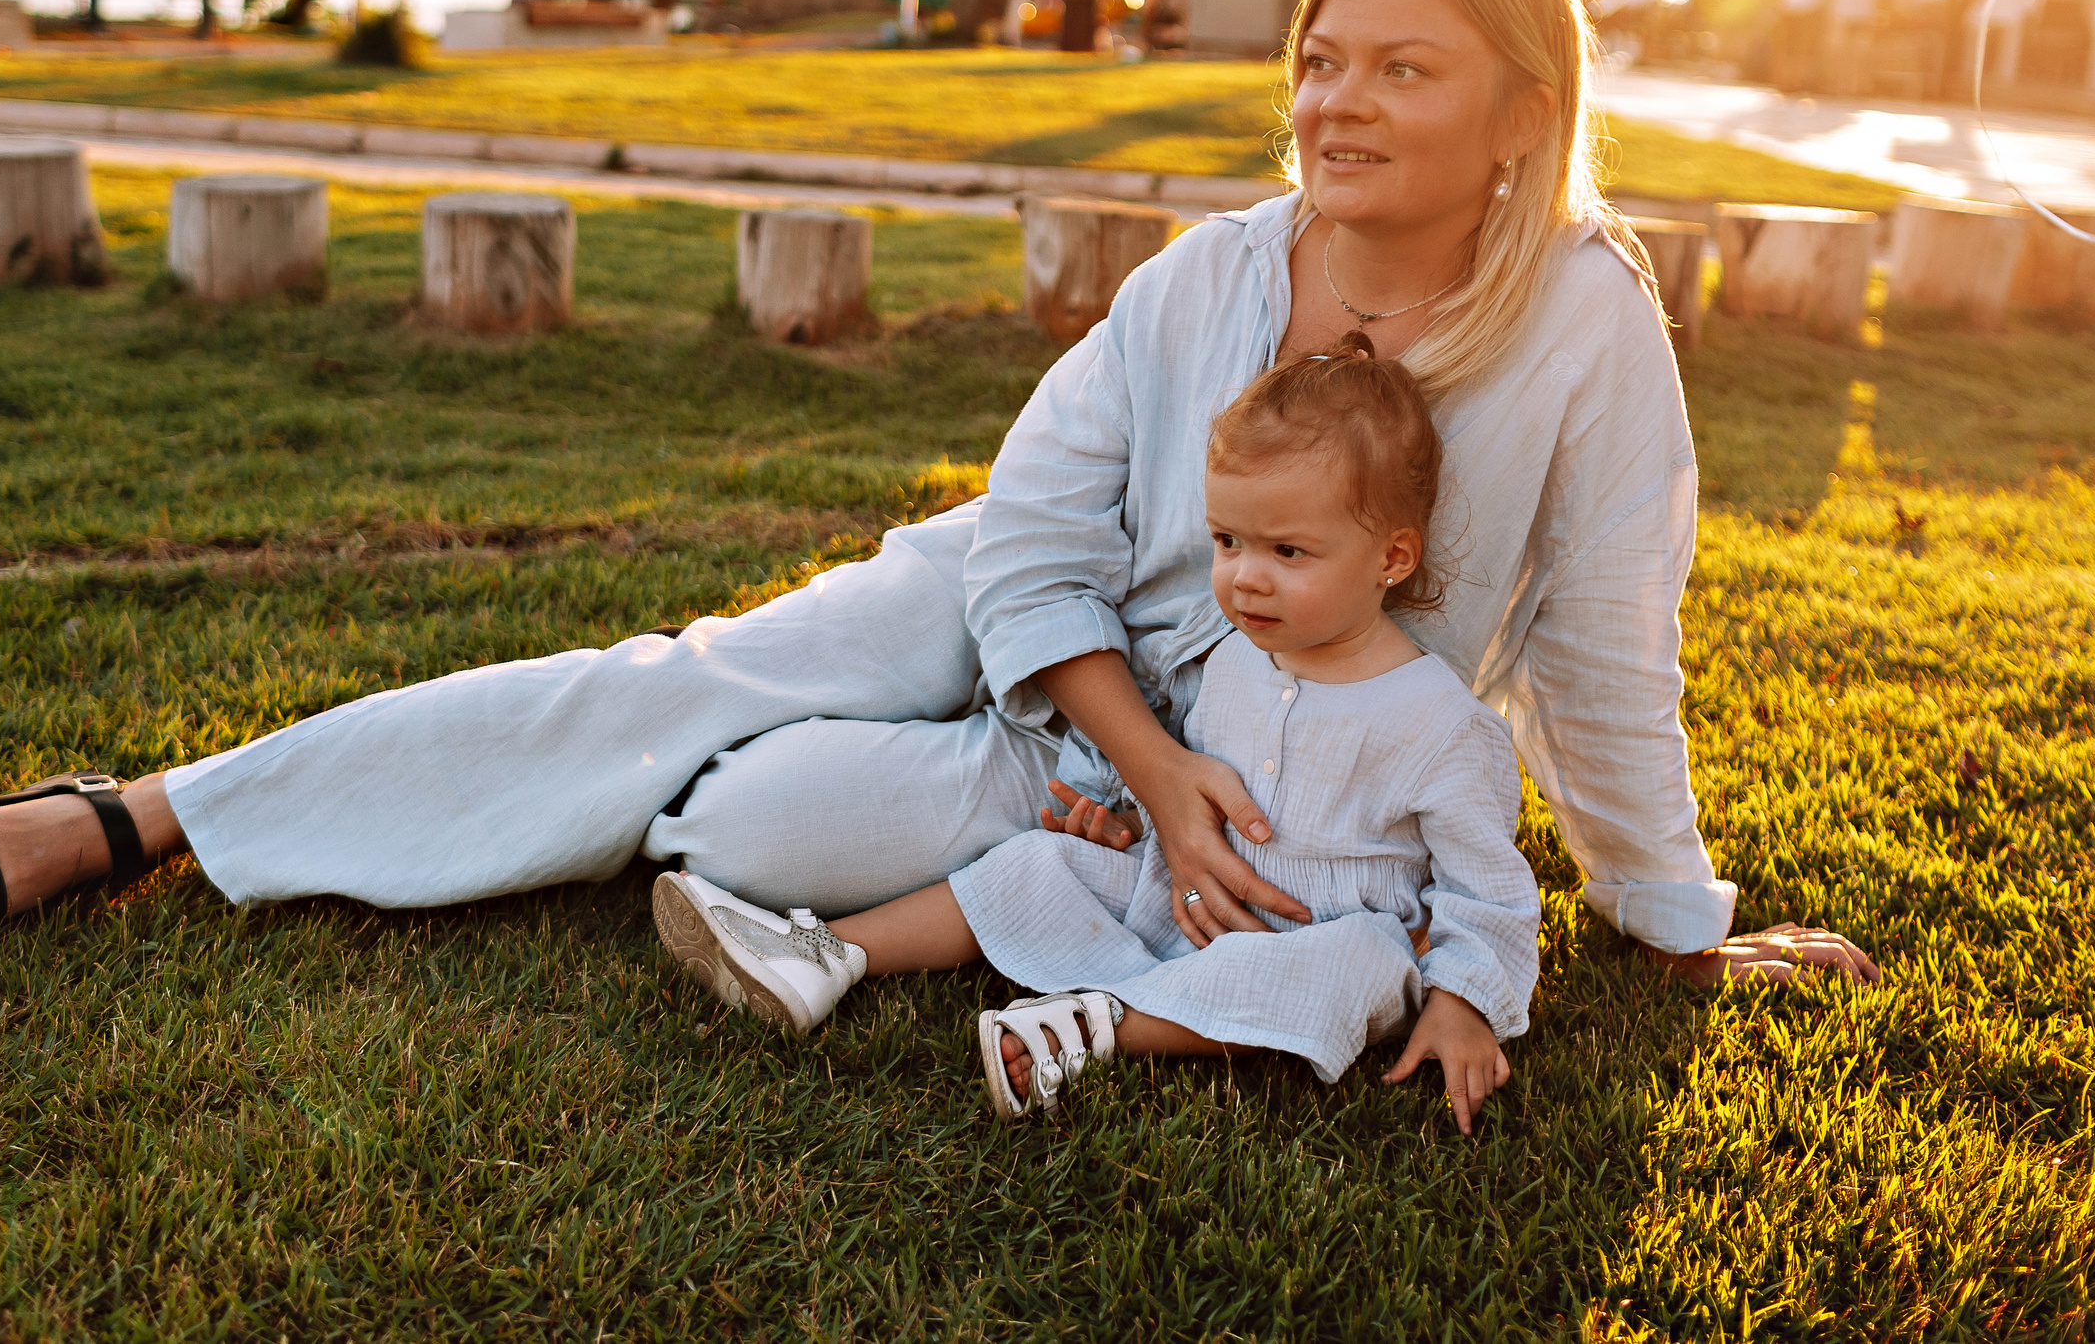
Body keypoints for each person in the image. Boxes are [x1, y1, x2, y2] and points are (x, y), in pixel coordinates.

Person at [0, 0, 1878, 1003]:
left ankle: (777, 823)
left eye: (1400, 69)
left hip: (1227, 767)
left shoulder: (1588, 331)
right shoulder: (1204, 280)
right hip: (1022, 634)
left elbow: (1607, 648)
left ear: (1521, 111)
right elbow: (1023, 543)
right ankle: (145, 813)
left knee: (744, 813)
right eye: (1317, 61)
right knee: (673, 685)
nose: (1334, 104)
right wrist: (1149, 758)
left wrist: (1667, 913)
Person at [655, 331, 1540, 1125]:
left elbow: (1488, 891)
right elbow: (1185, 753)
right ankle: (826, 953)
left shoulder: (1441, 724)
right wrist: (1115, 813)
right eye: (1228, 541)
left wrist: (1464, 996)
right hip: (1174, 895)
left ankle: (1097, 1026)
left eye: (1288, 552)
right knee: (1038, 866)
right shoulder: (1233, 655)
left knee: (1350, 968)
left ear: (1391, 556)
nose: (1245, 579)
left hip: (1308, 936)